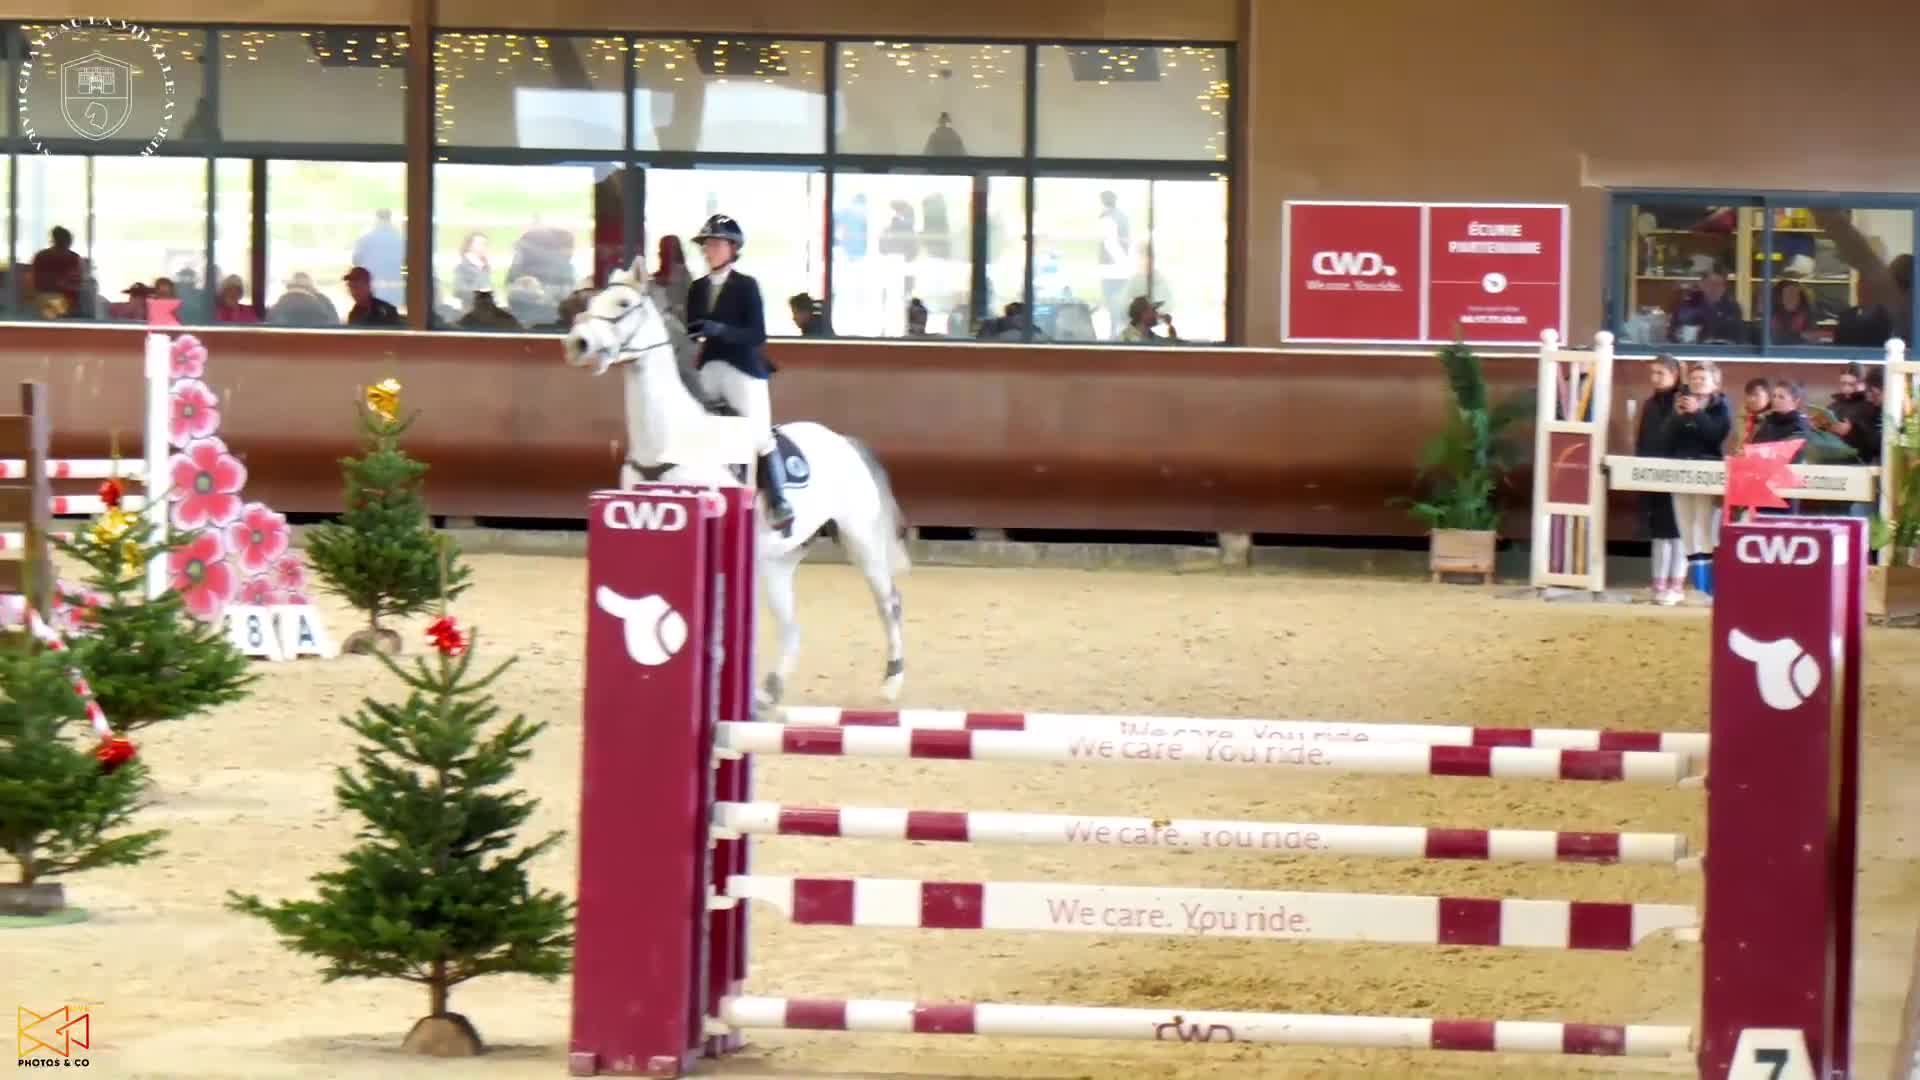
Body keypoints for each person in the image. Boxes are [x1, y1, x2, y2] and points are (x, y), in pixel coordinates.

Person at [683, 213, 793, 534]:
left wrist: (721, 330)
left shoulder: (746, 286)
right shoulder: (697, 287)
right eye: (707, 245)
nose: (709, 250)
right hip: (709, 367)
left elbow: (756, 335)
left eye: (716, 244)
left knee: (759, 435)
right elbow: (692, 328)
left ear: (732, 248)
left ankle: (779, 501)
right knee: (692, 431)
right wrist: (693, 331)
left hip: (742, 367)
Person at [1667, 361, 1731, 598]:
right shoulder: (1681, 404)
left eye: (1702, 379)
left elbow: (1715, 436)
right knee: (1684, 527)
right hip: (1680, 469)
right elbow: (1666, 438)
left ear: (1715, 384)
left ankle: (1709, 586)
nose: (1697, 382)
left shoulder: (1721, 406)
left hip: (1707, 470)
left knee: (1703, 527)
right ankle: (1696, 585)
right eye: (1694, 378)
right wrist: (1676, 417)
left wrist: (1697, 413)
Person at [1637, 355, 1684, 605]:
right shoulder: (1650, 404)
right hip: (1653, 474)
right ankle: (1658, 584)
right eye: (1652, 373)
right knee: (1658, 532)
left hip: (1677, 474)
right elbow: (1643, 439)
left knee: (1677, 532)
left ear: (1674, 375)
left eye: (1660, 373)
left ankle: (1676, 585)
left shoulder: (1683, 402)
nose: (1654, 378)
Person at [1669, 267, 1745, 344]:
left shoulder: (1732, 308)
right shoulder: (1688, 304)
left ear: (1724, 288)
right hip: (1691, 349)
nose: (1714, 288)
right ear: (1701, 284)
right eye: (1710, 284)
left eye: (1718, 285)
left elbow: (1738, 338)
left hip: (1721, 349)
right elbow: (1673, 333)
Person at [652, 235, 691, 323]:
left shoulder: (684, 274)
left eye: (665, 250)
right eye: (661, 249)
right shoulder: (654, 279)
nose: (660, 253)